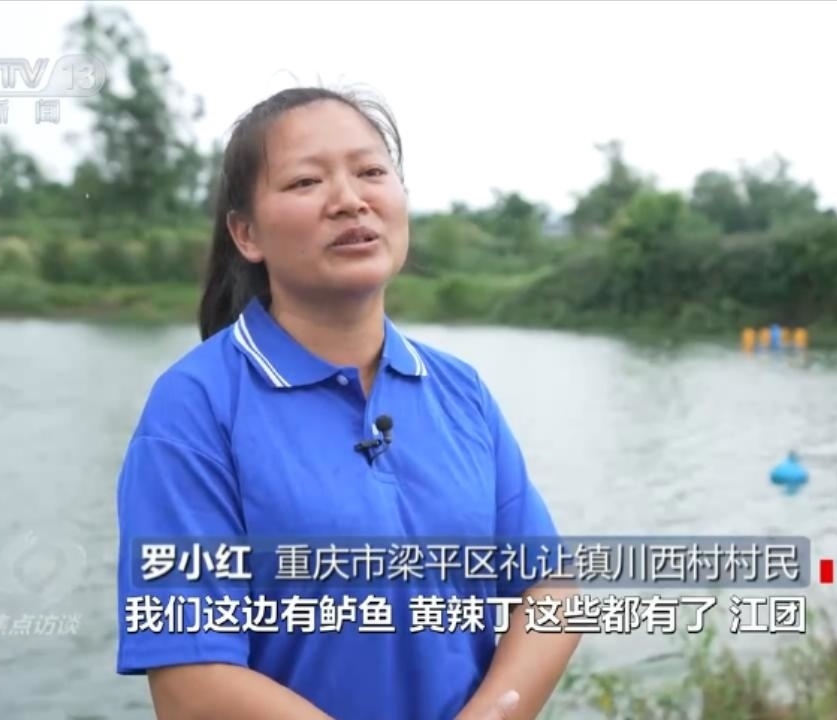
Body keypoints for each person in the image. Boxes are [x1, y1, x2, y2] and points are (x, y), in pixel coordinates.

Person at [114, 86, 581, 720]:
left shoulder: (458, 391)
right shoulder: (196, 406)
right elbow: (191, 681)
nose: (350, 200)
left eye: (371, 172)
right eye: (306, 181)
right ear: (246, 233)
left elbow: (549, 592)